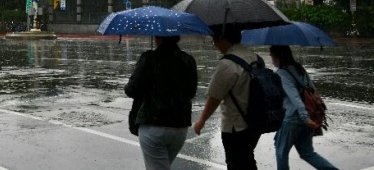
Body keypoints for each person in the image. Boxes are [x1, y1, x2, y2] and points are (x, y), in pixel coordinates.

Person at [124, 35, 198, 169]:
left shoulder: (149, 58)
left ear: (158, 38)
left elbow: (131, 90)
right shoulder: (189, 60)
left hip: (153, 124)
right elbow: (191, 92)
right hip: (180, 127)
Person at [193, 25, 261, 170]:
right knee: (247, 160)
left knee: (236, 164)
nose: (215, 45)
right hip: (255, 123)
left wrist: (201, 120)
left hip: (235, 126)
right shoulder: (255, 58)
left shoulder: (228, 63)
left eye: (215, 41)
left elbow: (214, 97)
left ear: (222, 39)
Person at [269, 45, 338, 170]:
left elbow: (294, 98)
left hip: (292, 118)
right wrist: (308, 118)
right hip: (308, 117)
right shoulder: (300, 69)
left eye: (272, 55)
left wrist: (305, 118)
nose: (271, 59)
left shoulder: (282, 73)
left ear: (278, 57)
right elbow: (313, 92)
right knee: (308, 153)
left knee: (281, 153)